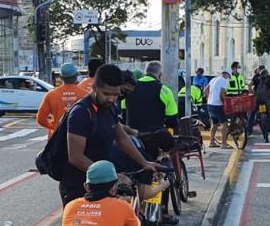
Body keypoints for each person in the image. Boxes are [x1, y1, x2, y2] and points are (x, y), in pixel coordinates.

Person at [61, 63, 157, 205]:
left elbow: (121, 137)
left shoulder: (109, 108)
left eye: (116, 94)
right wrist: (113, 176)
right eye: (106, 94)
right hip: (79, 184)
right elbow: (76, 157)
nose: (111, 99)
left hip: (102, 183)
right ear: (94, 87)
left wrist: (144, 162)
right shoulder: (81, 113)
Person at [125, 61, 179, 133]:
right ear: (160, 75)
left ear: (144, 73)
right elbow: (172, 120)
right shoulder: (164, 90)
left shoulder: (130, 88)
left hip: (132, 135)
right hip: (155, 136)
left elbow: (123, 112)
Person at [37, 62, 87, 136]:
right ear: (76, 76)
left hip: (57, 137)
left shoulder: (51, 95)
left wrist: (53, 127)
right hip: (79, 136)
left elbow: (40, 119)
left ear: (61, 77)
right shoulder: (85, 95)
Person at [250, 65, 270, 143]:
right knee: (268, 113)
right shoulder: (268, 80)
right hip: (265, 100)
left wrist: (252, 93)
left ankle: (249, 129)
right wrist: (269, 97)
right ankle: (269, 128)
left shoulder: (256, 78)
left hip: (257, 99)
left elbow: (249, 85)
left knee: (252, 113)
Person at [205, 69, 230, 147]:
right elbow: (222, 94)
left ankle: (211, 142)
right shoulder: (224, 81)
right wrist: (224, 103)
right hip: (218, 105)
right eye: (228, 76)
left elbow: (205, 91)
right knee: (224, 124)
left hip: (210, 104)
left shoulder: (213, 79)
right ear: (227, 75)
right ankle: (224, 143)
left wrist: (209, 99)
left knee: (214, 124)